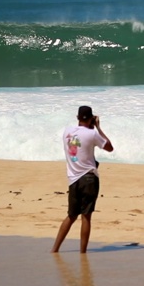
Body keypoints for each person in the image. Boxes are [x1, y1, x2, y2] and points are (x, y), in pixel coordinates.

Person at [51, 106, 113, 253]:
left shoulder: (67, 132)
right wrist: (98, 127)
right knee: (86, 217)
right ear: (91, 117)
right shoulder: (92, 134)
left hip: (73, 179)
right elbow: (109, 147)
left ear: (77, 117)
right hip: (88, 178)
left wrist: (91, 125)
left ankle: (55, 249)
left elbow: (80, 142)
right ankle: (83, 252)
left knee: (71, 216)